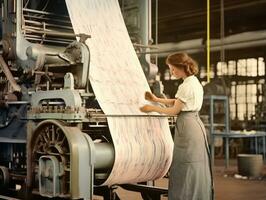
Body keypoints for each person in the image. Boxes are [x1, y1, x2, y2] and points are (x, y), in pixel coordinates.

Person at [140, 52, 214, 200]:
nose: (172, 72)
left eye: (173, 69)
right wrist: (156, 99)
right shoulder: (193, 82)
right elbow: (179, 101)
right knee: (195, 166)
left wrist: (152, 108)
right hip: (195, 124)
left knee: (185, 166)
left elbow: (174, 111)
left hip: (188, 127)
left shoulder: (185, 86)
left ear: (182, 67)